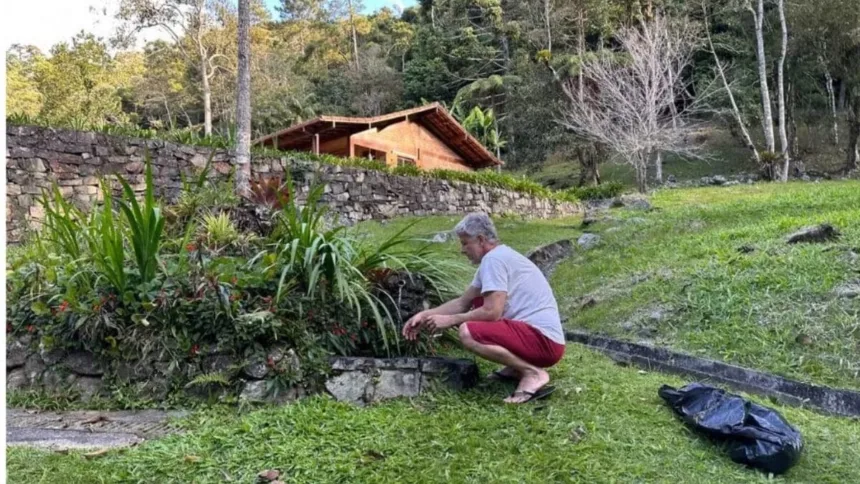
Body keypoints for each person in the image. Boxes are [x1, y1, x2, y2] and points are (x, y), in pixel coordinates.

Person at [402, 212, 566, 404]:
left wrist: (451, 321)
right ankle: (515, 368)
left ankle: (533, 373)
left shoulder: (494, 260)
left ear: (480, 240)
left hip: (544, 343)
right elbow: (462, 302)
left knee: (468, 331)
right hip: (543, 341)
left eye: (465, 243)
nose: (462, 250)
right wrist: (424, 315)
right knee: (477, 304)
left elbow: (492, 312)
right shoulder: (497, 258)